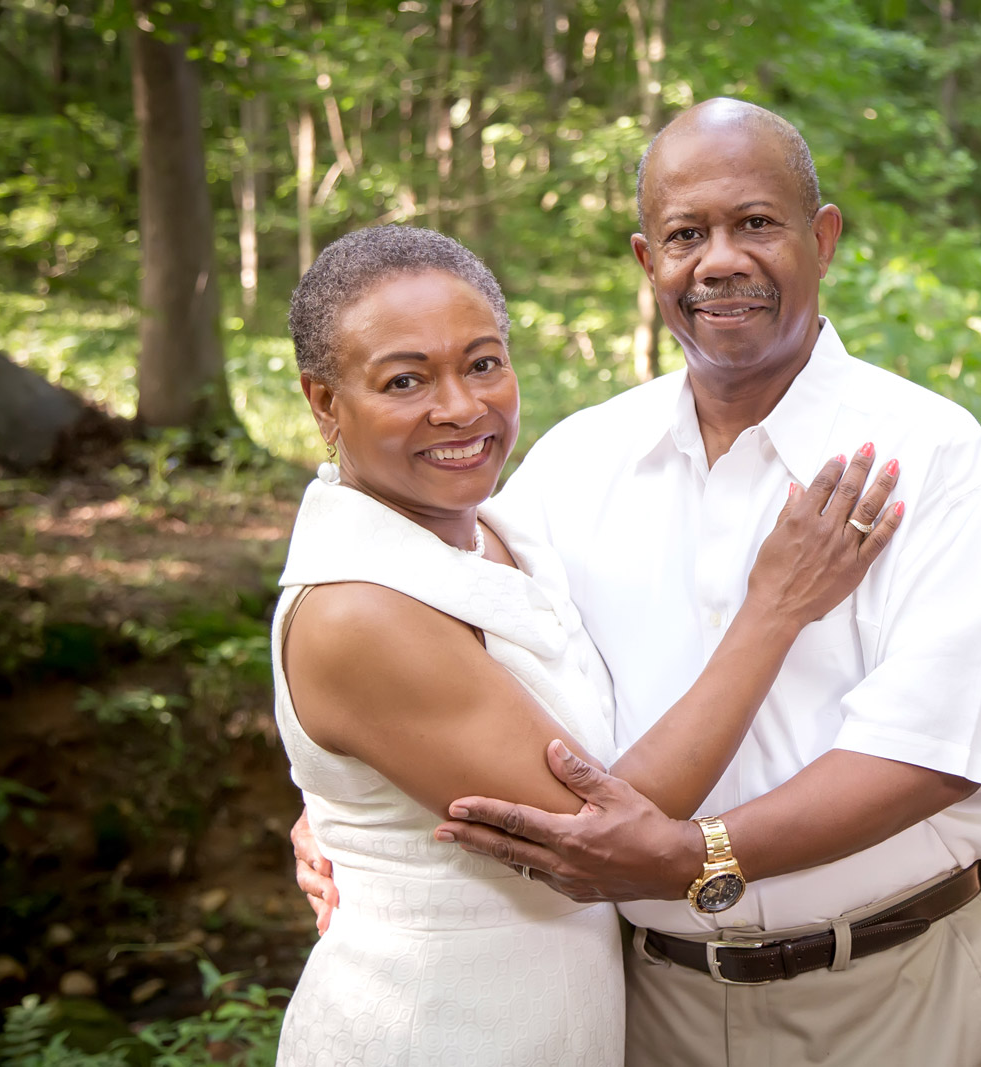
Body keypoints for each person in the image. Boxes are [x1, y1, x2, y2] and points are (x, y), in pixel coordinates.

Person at [296, 98, 981, 1066]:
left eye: (756, 223)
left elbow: (933, 751)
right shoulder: (578, 459)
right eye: (688, 234)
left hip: (883, 986)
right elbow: (457, 654)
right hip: (644, 996)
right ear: (649, 262)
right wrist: (345, 792)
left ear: (821, 239)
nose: (720, 259)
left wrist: (703, 856)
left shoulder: (922, 453)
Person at [272, 223, 905, 1066]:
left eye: (484, 362)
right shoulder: (358, 610)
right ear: (325, 402)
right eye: (405, 380)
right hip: (432, 1027)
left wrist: (342, 807)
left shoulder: (501, 522)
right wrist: (776, 609)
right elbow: (595, 834)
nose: (460, 406)